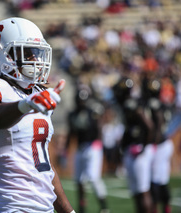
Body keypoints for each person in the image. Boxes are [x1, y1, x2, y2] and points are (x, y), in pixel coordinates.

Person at [0, 17, 74, 213]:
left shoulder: (34, 92)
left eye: (37, 54)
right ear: (1, 54)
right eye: (28, 53)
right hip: (11, 208)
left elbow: (41, 164)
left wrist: (68, 211)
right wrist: (25, 105)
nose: (36, 61)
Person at [113, 76, 154, 213]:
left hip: (138, 149)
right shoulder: (126, 103)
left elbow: (149, 126)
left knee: (143, 191)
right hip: (132, 149)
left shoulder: (132, 104)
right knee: (136, 192)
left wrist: (144, 146)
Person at [66, 84, 109, 213]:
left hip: (92, 146)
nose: (81, 103)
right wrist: (65, 150)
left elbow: (99, 127)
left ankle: (104, 207)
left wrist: (99, 144)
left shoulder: (92, 112)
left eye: (83, 100)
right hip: (80, 148)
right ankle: (82, 209)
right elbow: (71, 133)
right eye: (79, 100)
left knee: (93, 178)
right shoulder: (73, 114)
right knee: (79, 180)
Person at [140, 75, 174, 213]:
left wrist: (153, 141)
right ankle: (165, 206)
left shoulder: (153, 104)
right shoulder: (162, 103)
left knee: (155, 180)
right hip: (162, 144)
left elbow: (159, 122)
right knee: (160, 180)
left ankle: (159, 208)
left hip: (159, 145)